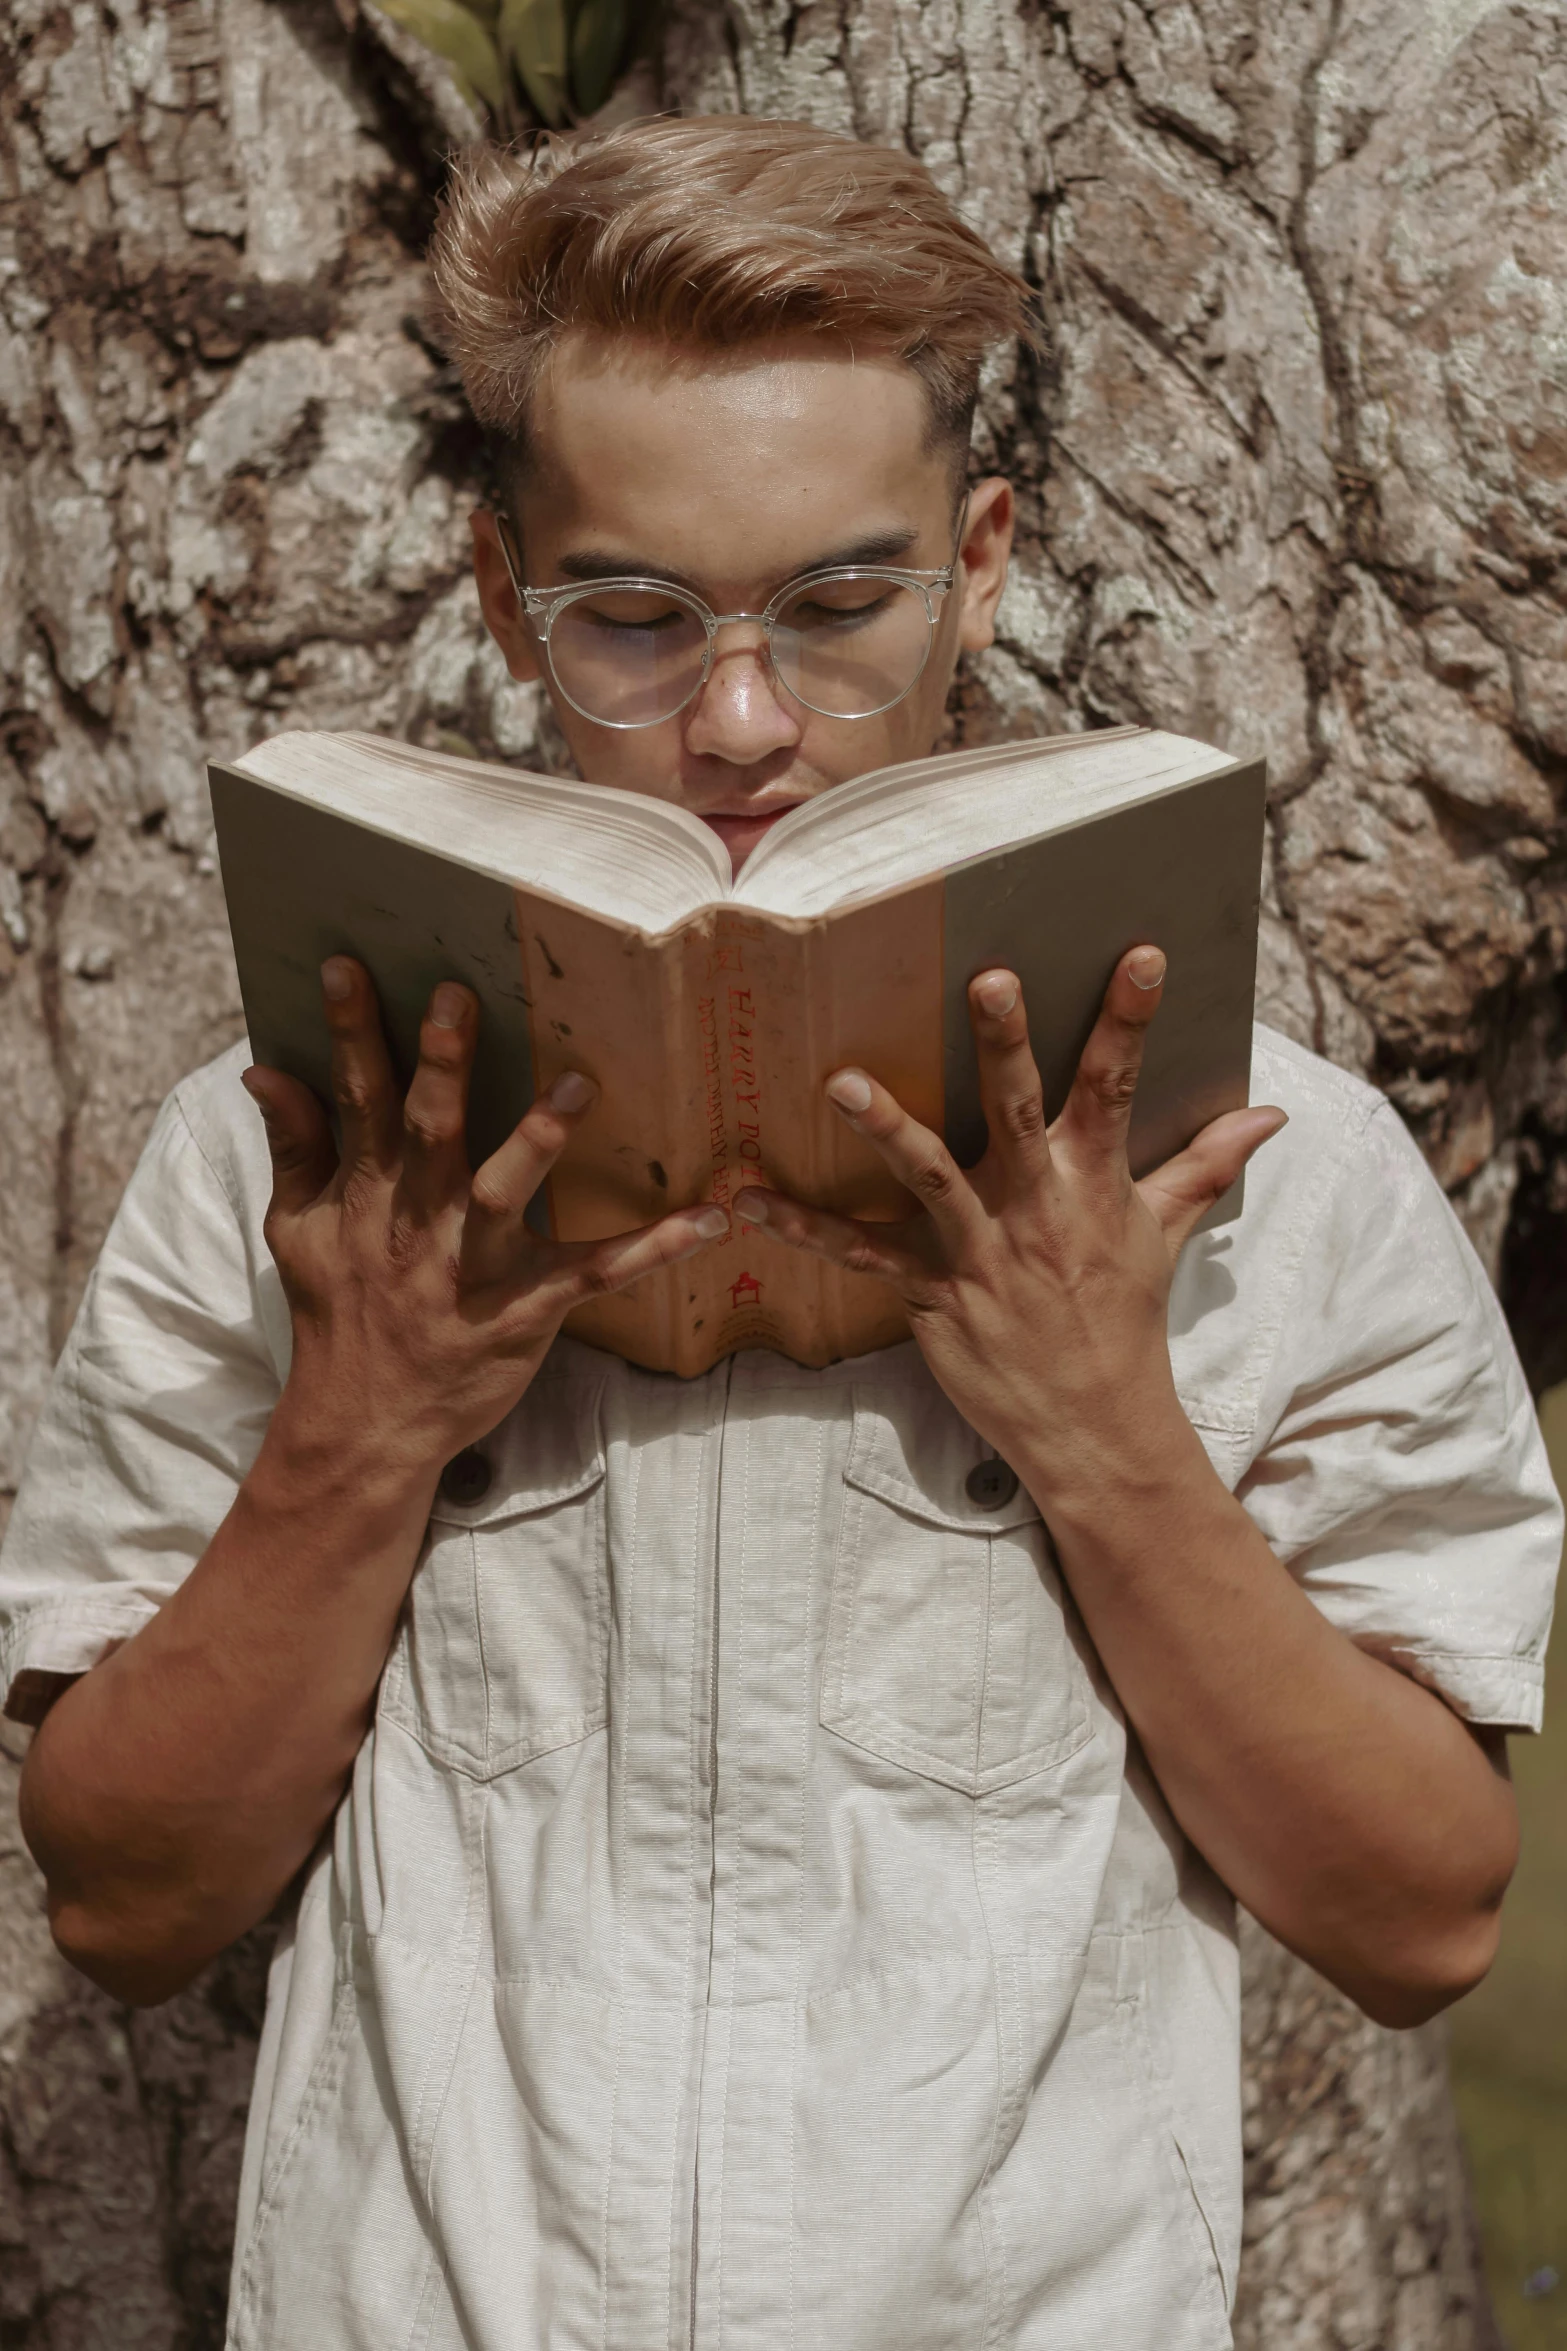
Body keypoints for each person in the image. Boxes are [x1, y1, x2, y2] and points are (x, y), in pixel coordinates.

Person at [0, 116, 1558, 2351]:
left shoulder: (1263, 1163)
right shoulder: (291, 1165)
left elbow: (1422, 1918)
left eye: (840, 611)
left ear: (984, 562)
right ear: (495, 592)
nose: (741, 724)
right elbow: (125, 1897)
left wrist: (1109, 1440)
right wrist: (365, 1427)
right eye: (631, 620)